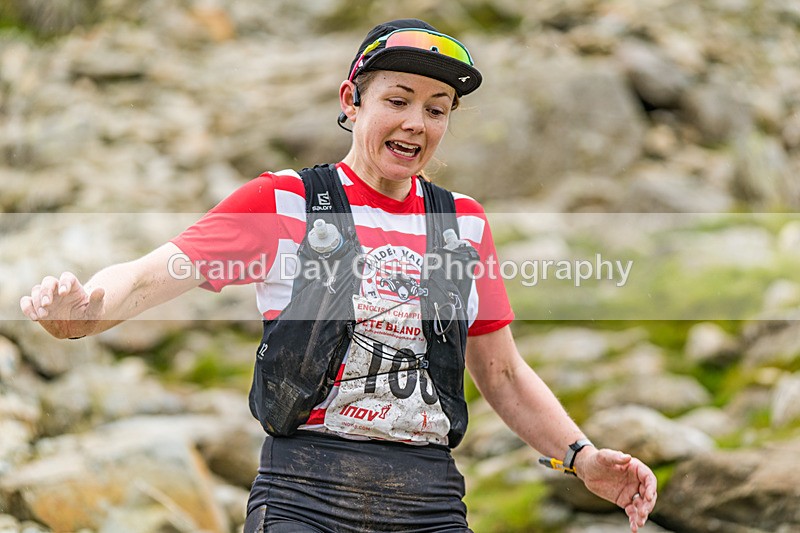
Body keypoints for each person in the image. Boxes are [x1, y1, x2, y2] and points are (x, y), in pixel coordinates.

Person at [20, 18, 656, 533]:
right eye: (398, 100)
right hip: (303, 494)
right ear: (351, 103)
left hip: (430, 500)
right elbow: (150, 274)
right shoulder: (285, 202)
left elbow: (503, 373)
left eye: (438, 109)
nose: (417, 122)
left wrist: (581, 458)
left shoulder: (462, 223)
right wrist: (85, 311)